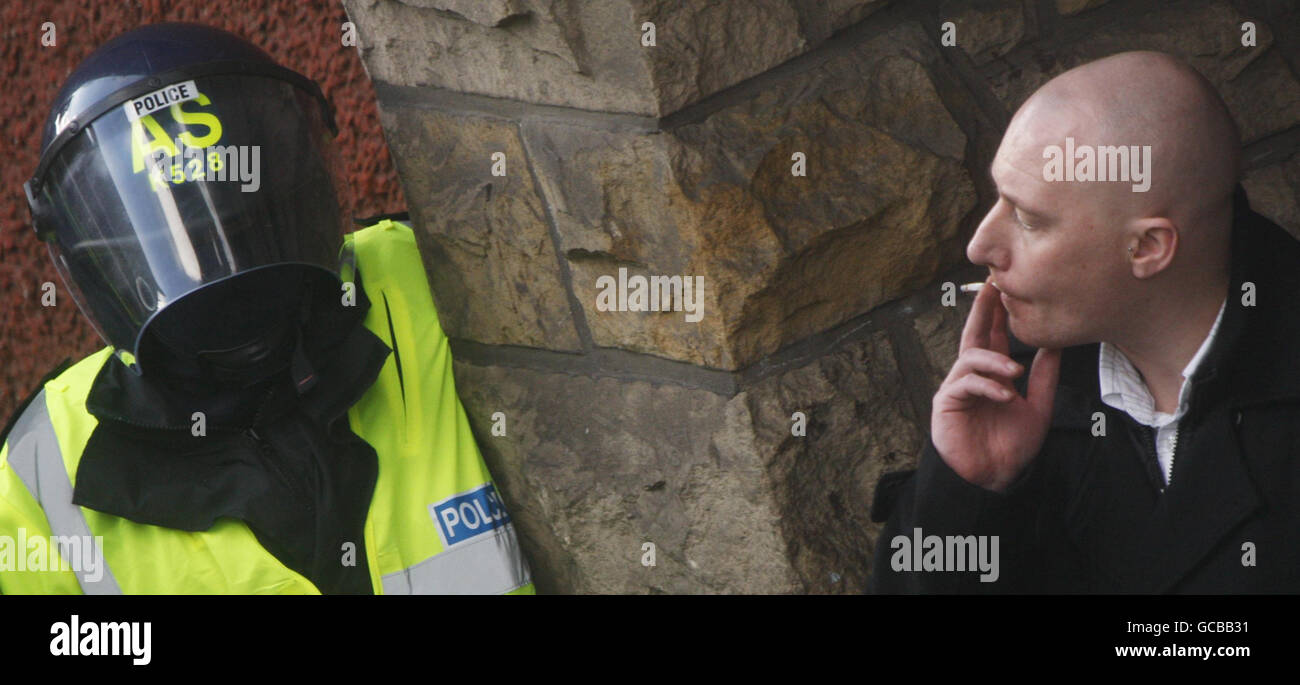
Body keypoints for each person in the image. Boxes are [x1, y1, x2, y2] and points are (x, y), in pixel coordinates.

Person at [0, 23, 534, 594]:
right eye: (182, 244)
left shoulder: (426, 281)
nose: (216, 269)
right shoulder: (41, 475)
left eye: (238, 225)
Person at [868, 51, 1300, 593]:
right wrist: (967, 494)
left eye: (1027, 219)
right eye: (999, 198)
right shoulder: (1017, 381)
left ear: (1147, 247)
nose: (980, 245)